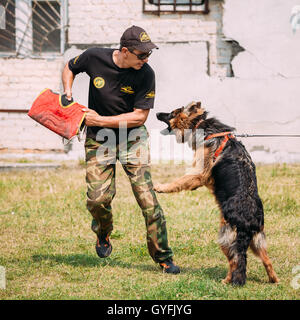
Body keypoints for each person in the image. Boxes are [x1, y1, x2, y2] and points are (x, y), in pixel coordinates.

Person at [62, 25, 180, 274]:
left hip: (132, 139)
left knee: (147, 200)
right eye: (142, 55)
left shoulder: (146, 74)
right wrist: (68, 94)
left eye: (149, 55)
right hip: (99, 140)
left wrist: (99, 120)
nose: (146, 60)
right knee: (97, 199)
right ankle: (103, 232)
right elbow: (70, 67)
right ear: (124, 51)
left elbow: (139, 117)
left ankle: (163, 256)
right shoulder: (94, 57)